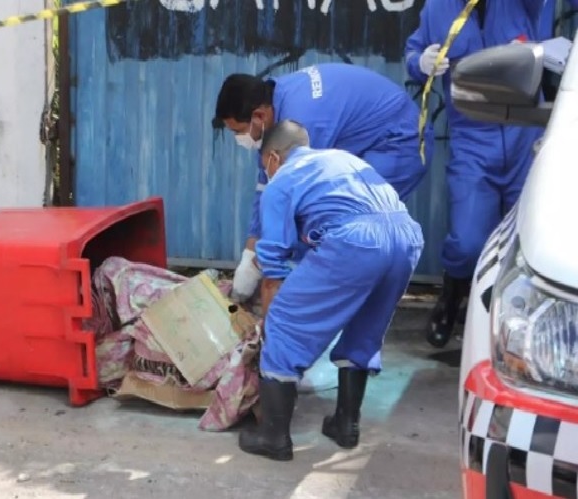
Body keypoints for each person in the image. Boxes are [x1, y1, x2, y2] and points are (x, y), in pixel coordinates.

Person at [238, 120, 424, 461]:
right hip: (406, 238)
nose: (267, 172)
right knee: (365, 326)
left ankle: (273, 436)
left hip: (355, 241)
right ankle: (345, 425)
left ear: (274, 157)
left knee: (283, 324)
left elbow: (273, 270)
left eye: (265, 165)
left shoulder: (281, 182)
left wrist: (270, 323)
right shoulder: (343, 159)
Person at [212, 63, 432, 303]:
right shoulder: (273, 104)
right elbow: (268, 184)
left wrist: (264, 265)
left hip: (400, 141)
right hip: (371, 138)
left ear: (259, 116)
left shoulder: (304, 123)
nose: (238, 139)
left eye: (239, 131)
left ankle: (322, 307)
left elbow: (300, 203)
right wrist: (250, 251)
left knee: (343, 223)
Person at [405, 0, 548, 348]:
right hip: (472, 140)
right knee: (467, 242)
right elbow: (413, 52)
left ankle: (523, 321)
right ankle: (453, 293)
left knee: (529, 239)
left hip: (524, 134)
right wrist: (420, 62)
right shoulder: (437, 8)